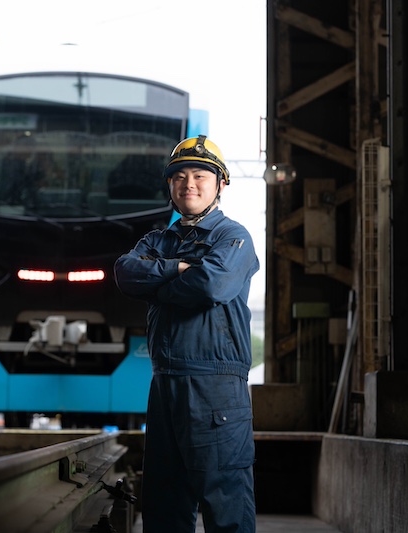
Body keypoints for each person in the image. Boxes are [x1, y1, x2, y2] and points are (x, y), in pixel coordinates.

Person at [114, 135, 260, 532]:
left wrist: (159, 281)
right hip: (165, 385)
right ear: (170, 186)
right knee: (163, 505)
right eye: (179, 176)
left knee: (225, 503)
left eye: (199, 174)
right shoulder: (158, 239)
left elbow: (212, 286)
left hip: (215, 388)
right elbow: (126, 273)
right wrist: (181, 269)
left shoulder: (234, 237)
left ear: (220, 184)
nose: (188, 184)